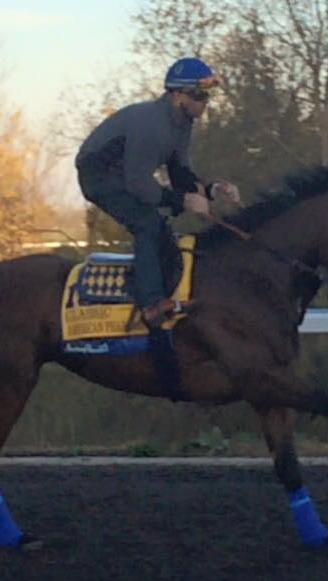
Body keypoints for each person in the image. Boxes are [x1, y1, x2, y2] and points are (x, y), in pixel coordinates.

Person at [75, 57, 239, 402]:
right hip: (99, 176)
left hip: (124, 175)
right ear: (178, 95)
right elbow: (138, 185)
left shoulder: (182, 124)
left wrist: (211, 189)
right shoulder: (152, 124)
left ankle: (158, 294)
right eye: (200, 96)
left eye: (207, 96)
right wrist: (183, 201)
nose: (205, 103)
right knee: (148, 224)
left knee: (163, 229)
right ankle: (151, 305)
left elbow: (180, 173)